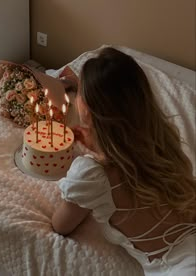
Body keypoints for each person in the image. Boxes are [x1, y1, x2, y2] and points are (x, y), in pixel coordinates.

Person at [52, 47, 196, 275]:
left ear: (87, 110)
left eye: (80, 93)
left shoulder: (91, 175)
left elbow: (61, 225)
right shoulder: (164, 139)